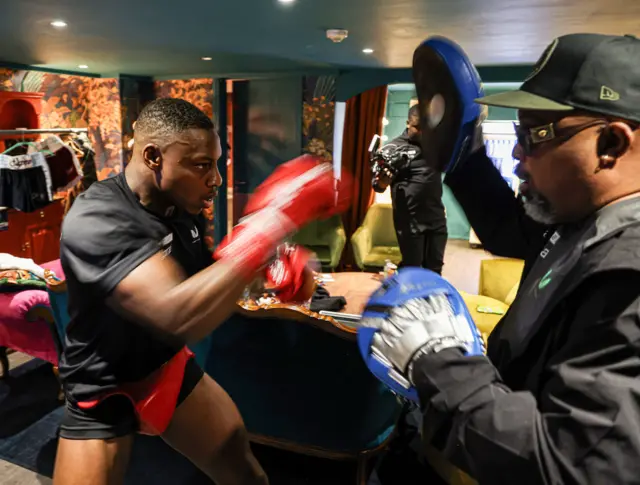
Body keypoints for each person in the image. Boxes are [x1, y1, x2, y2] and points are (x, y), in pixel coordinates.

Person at [358, 33, 640, 485]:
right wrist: (463, 157)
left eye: (535, 135)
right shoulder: (582, 216)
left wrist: (437, 361)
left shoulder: (628, 282)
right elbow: (513, 230)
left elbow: (567, 465)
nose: (517, 153)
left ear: (610, 144)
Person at [53, 98, 347, 485]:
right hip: (102, 386)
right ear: (154, 156)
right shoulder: (97, 219)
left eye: (217, 163)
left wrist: (268, 266)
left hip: (165, 369)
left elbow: (203, 279)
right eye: (202, 165)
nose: (217, 179)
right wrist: (270, 224)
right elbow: (178, 313)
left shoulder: (181, 210)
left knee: (245, 474)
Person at [372, 106, 447, 274]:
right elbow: (377, 186)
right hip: (410, 222)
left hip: (436, 219)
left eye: (426, 129)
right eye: (417, 127)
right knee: (412, 270)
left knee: (435, 269)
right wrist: (384, 182)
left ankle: (430, 300)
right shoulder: (391, 149)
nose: (422, 132)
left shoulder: (436, 146)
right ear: (408, 123)